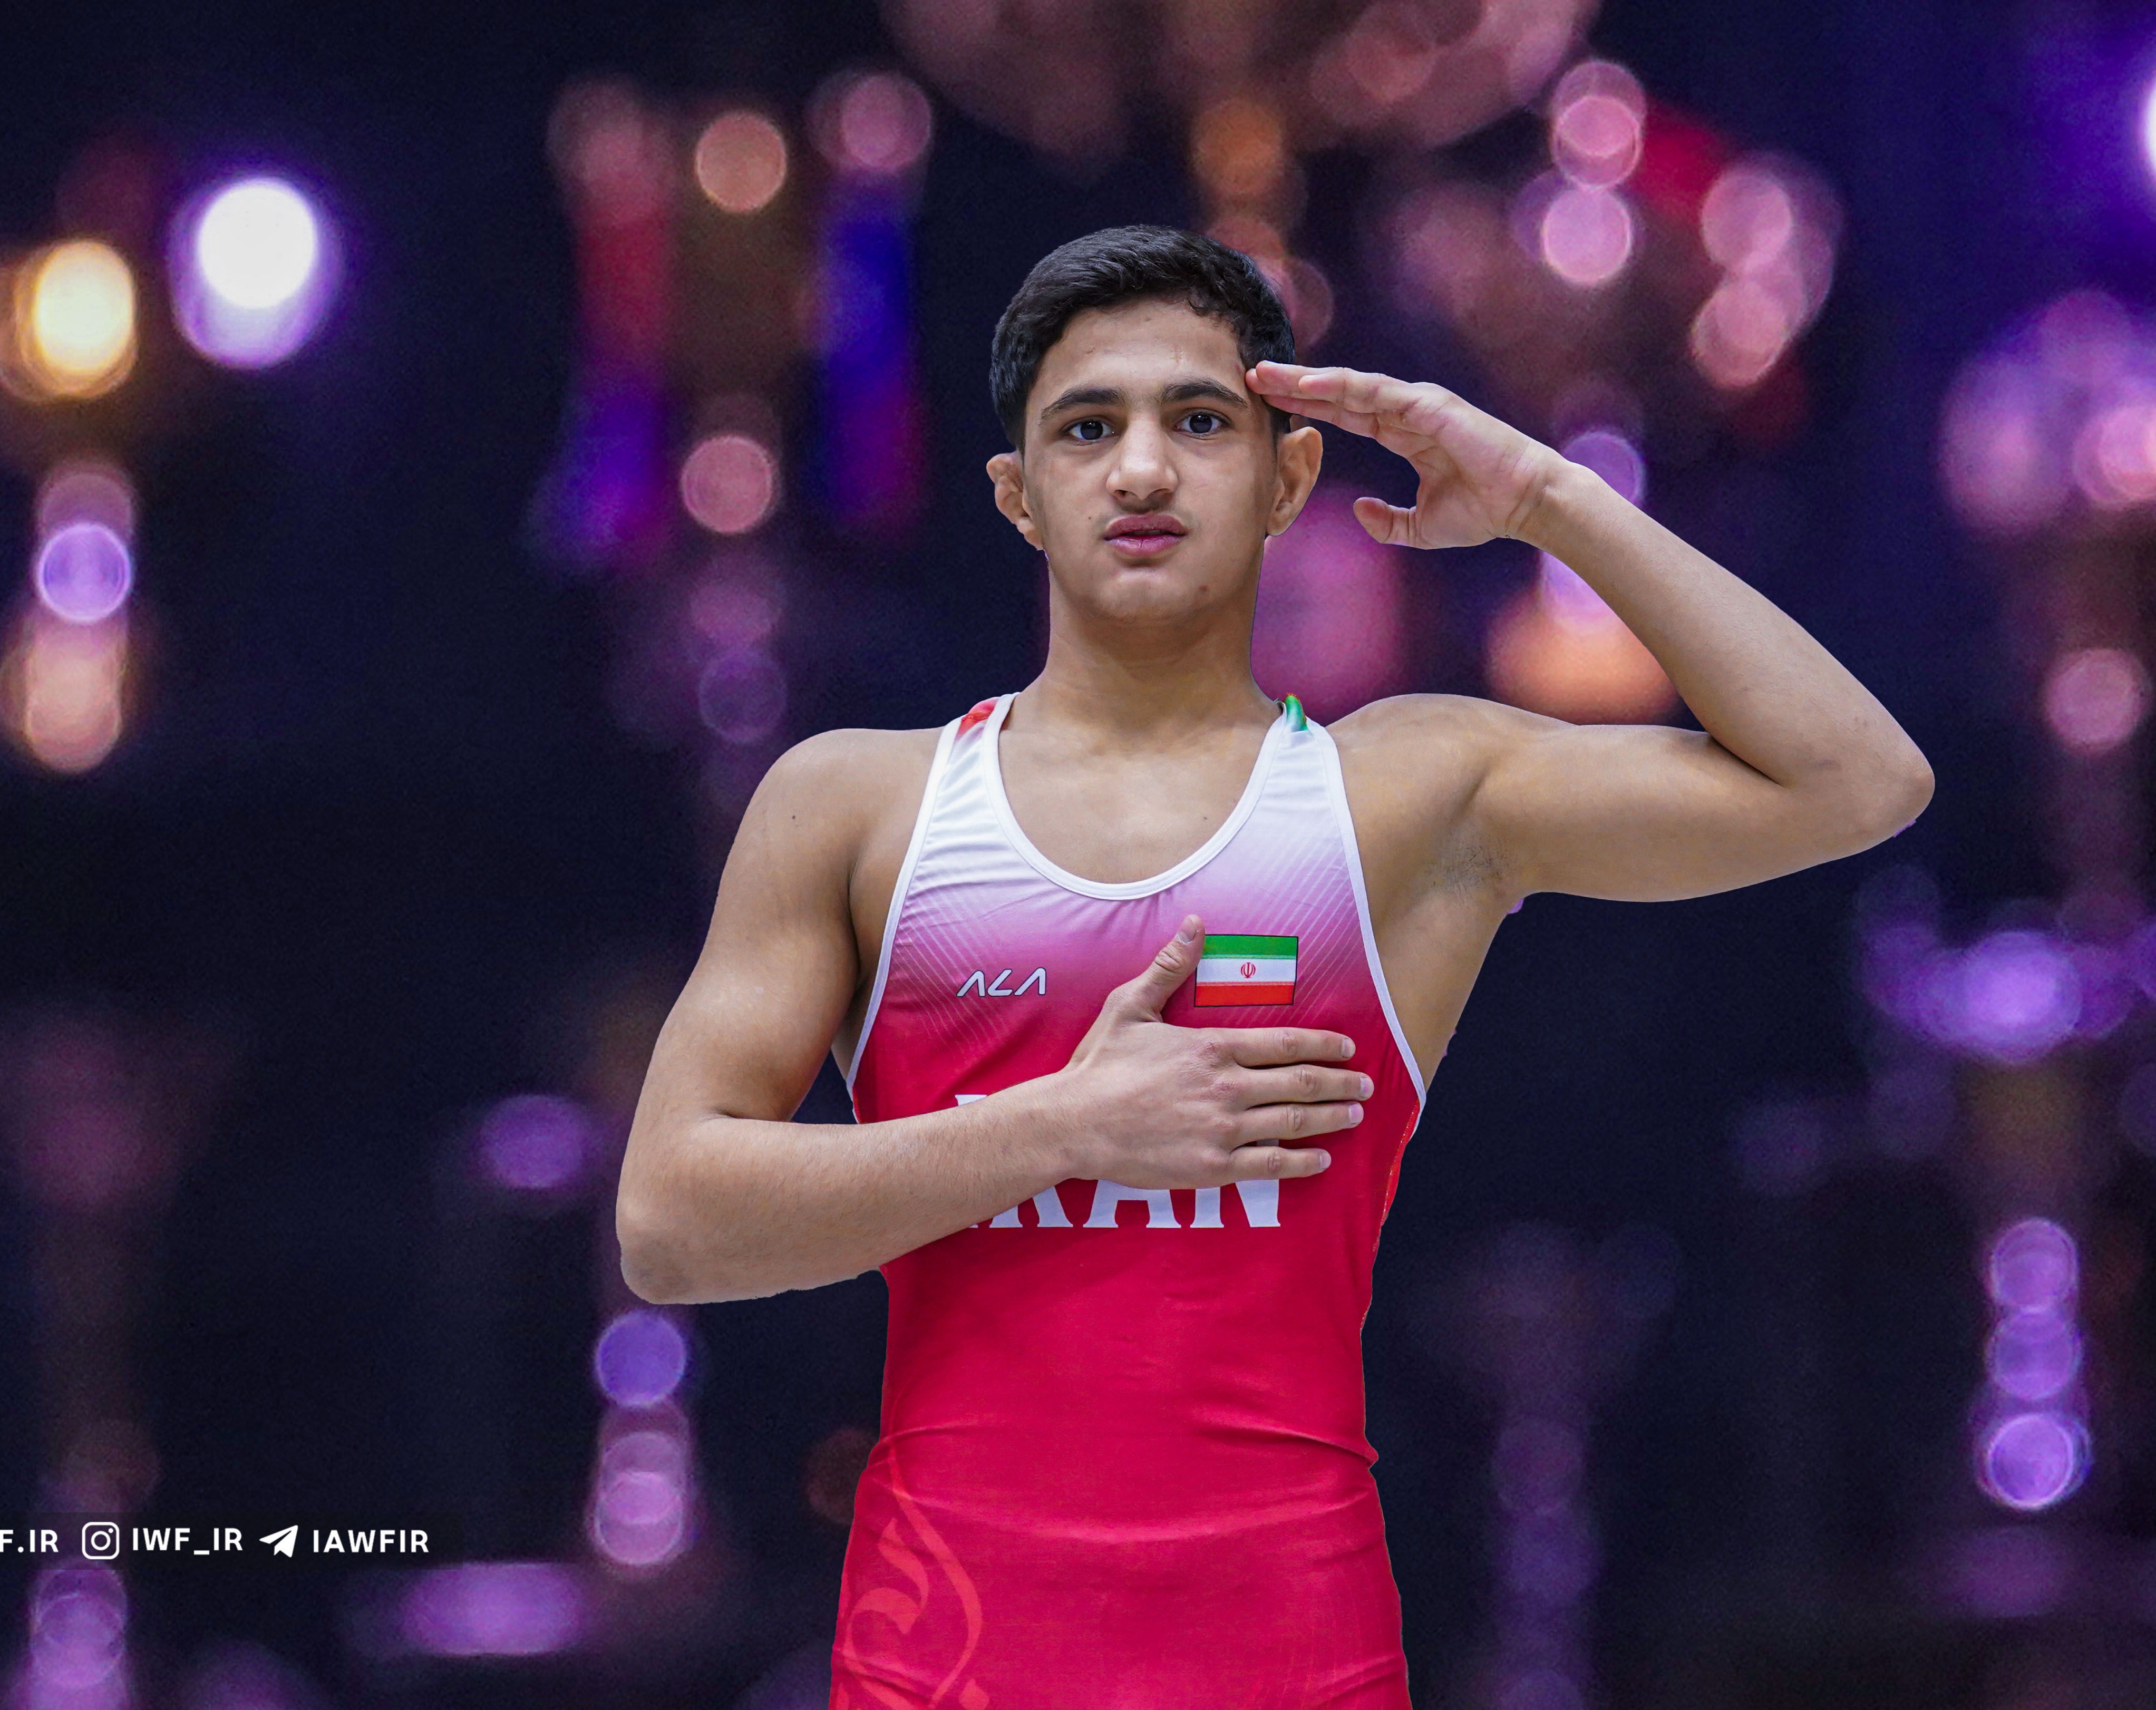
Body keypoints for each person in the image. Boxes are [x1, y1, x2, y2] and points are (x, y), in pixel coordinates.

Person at [617, 225, 1931, 1707]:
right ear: (1018, 495)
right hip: (950, 1657)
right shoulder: (854, 803)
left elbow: (1859, 781)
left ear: (1288, 480)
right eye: (1086, 428)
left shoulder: (1406, 794)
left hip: (1288, 1652)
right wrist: (1062, 1127)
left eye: (1197, 422)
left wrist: (1549, 498)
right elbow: (668, 1223)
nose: (1140, 470)